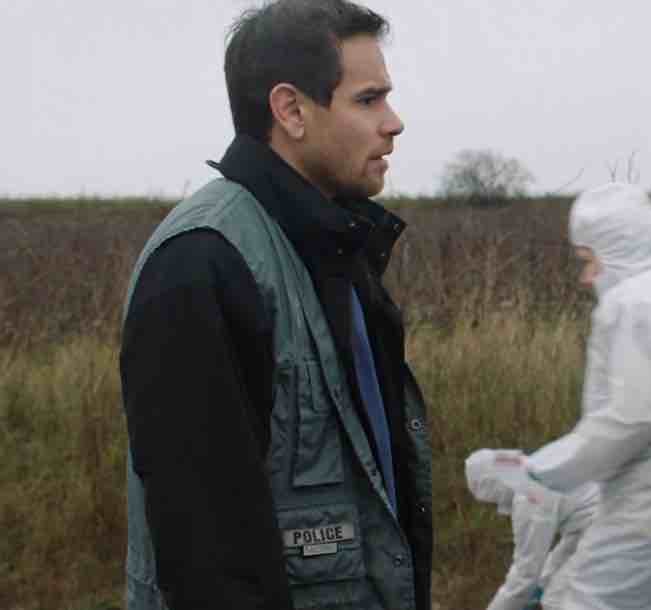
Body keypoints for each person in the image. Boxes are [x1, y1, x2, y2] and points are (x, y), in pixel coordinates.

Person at [118, 1, 432, 609]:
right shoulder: (201, 263)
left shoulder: (339, 246)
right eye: (369, 100)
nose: (393, 123)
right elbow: (209, 559)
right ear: (291, 110)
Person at [504, 182, 651, 610]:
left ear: (615, 249)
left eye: (588, 260)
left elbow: (634, 417)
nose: (586, 277)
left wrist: (537, 472)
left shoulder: (635, 303)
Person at [465, 449, 602, 610]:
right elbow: (570, 546)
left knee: (558, 600)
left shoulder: (528, 496)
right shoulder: (537, 467)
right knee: (556, 590)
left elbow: (525, 572)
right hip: (604, 522)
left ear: (491, 484)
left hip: (607, 529)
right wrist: (542, 584)